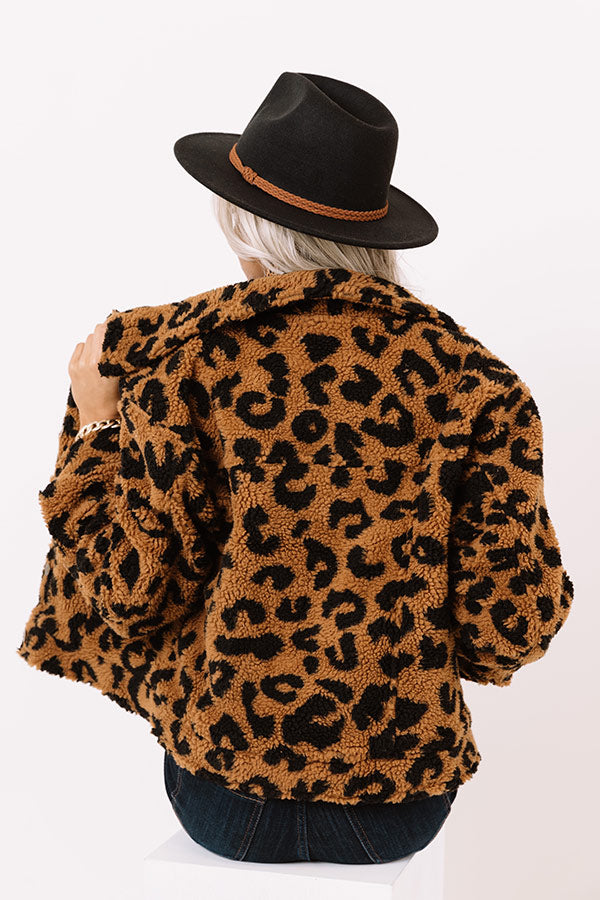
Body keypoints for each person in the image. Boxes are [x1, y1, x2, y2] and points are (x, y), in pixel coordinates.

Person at [17, 72, 573, 865]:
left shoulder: (186, 366)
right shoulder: (477, 385)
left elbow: (132, 597)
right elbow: (510, 628)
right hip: (400, 806)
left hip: (224, 796)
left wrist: (100, 425)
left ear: (248, 226)